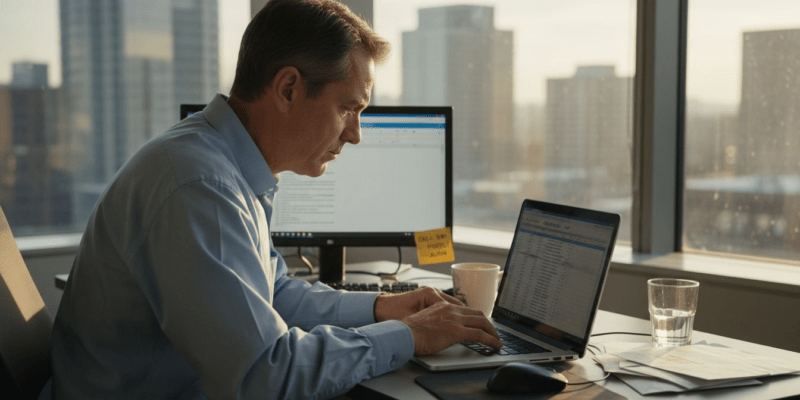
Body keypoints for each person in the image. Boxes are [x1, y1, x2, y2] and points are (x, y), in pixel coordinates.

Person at [50, 0, 502, 398]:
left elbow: (273, 293)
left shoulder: (218, 163)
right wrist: (407, 336)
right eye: (348, 108)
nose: (356, 135)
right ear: (288, 89)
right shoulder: (201, 186)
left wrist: (382, 307)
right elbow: (264, 377)